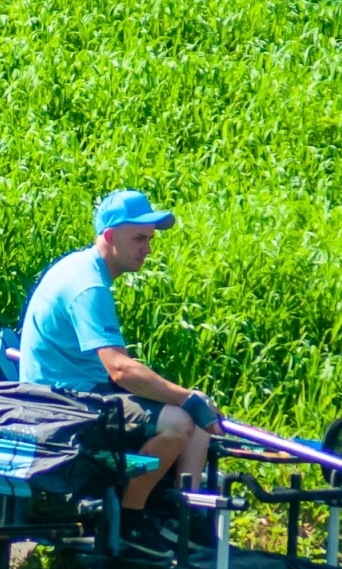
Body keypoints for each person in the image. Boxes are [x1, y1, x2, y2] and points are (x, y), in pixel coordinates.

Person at [17, 189, 222, 539]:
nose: (148, 248)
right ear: (110, 237)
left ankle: (187, 512)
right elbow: (120, 370)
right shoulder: (88, 285)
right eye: (139, 238)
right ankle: (130, 520)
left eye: (150, 239)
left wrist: (189, 396)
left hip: (84, 392)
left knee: (199, 415)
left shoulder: (85, 270)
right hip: (59, 405)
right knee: (177, 422)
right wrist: (184, 399)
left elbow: (117, 369)